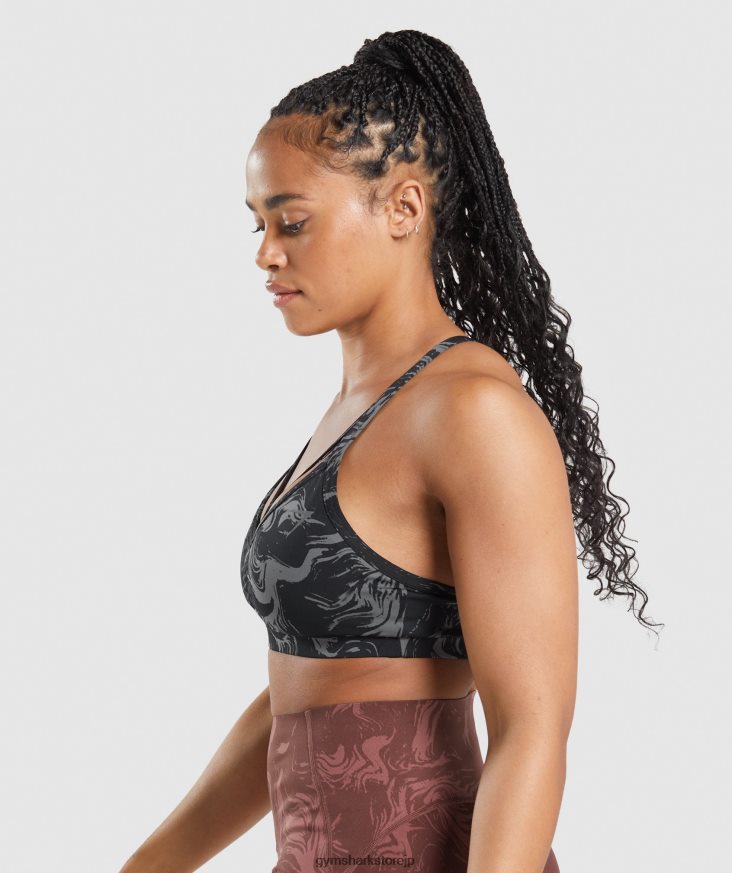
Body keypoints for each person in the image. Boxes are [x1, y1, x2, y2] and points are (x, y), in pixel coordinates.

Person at [119, 28, 663, 873]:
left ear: (403, 209)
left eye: (292, 221)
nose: (265, 252)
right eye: (258, 224)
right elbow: (303, 694)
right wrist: (149, 863)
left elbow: (532, 729)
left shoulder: (474, 413)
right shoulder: (359, 409)